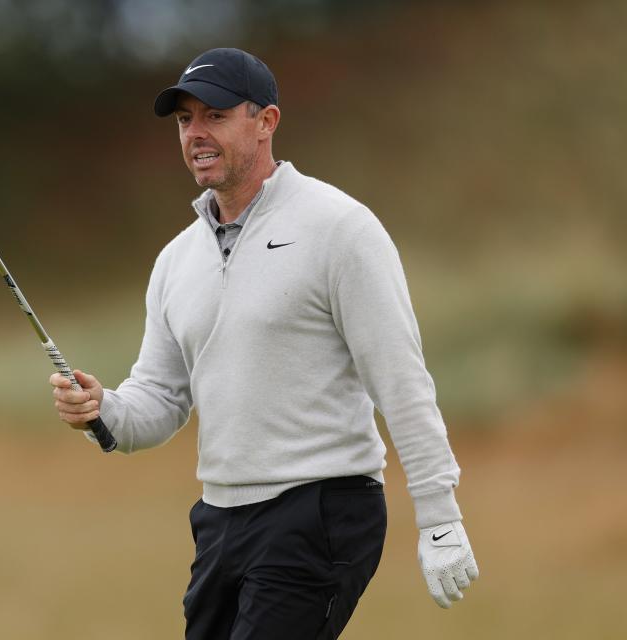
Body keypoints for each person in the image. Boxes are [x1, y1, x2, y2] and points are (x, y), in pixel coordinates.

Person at [50, 48, 478, 639]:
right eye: (184, 120)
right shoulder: (177, 259)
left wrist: (439, 515)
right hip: (221, 519)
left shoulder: (339, 229)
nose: (196, 134)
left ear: (266, 122)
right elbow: (160, 398)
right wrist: (105, 409)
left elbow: (400, 379)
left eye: (215, 116)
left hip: (322, 507)